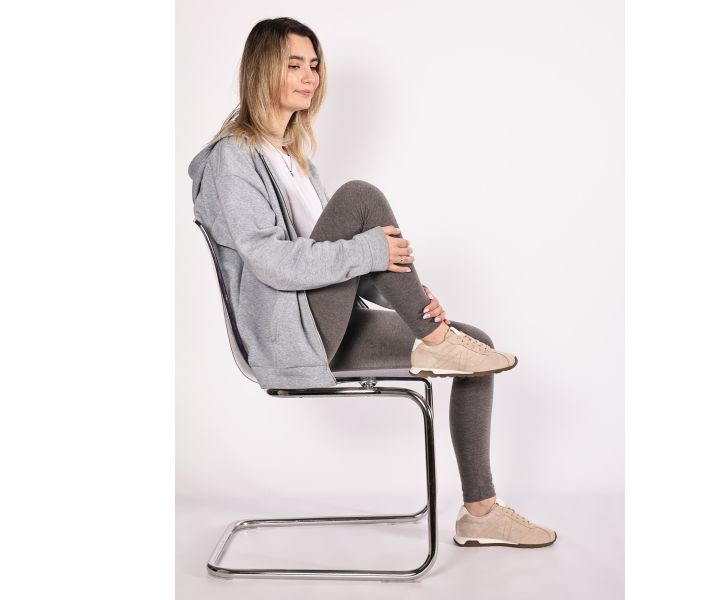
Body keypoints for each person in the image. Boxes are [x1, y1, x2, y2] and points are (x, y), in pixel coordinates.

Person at [188, 17, 556, 549]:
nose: (310, 76)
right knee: (361, 198)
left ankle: (480, 513)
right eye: (294, 64)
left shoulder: (294, 159)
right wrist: (373, 253)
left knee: (477, 346)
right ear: (261, 69)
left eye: (314, 65)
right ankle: (435, 340)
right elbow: (273, 262)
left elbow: (341, 269)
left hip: (325, 320)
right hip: (288, 335)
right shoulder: (233, 159)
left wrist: (409, 298)